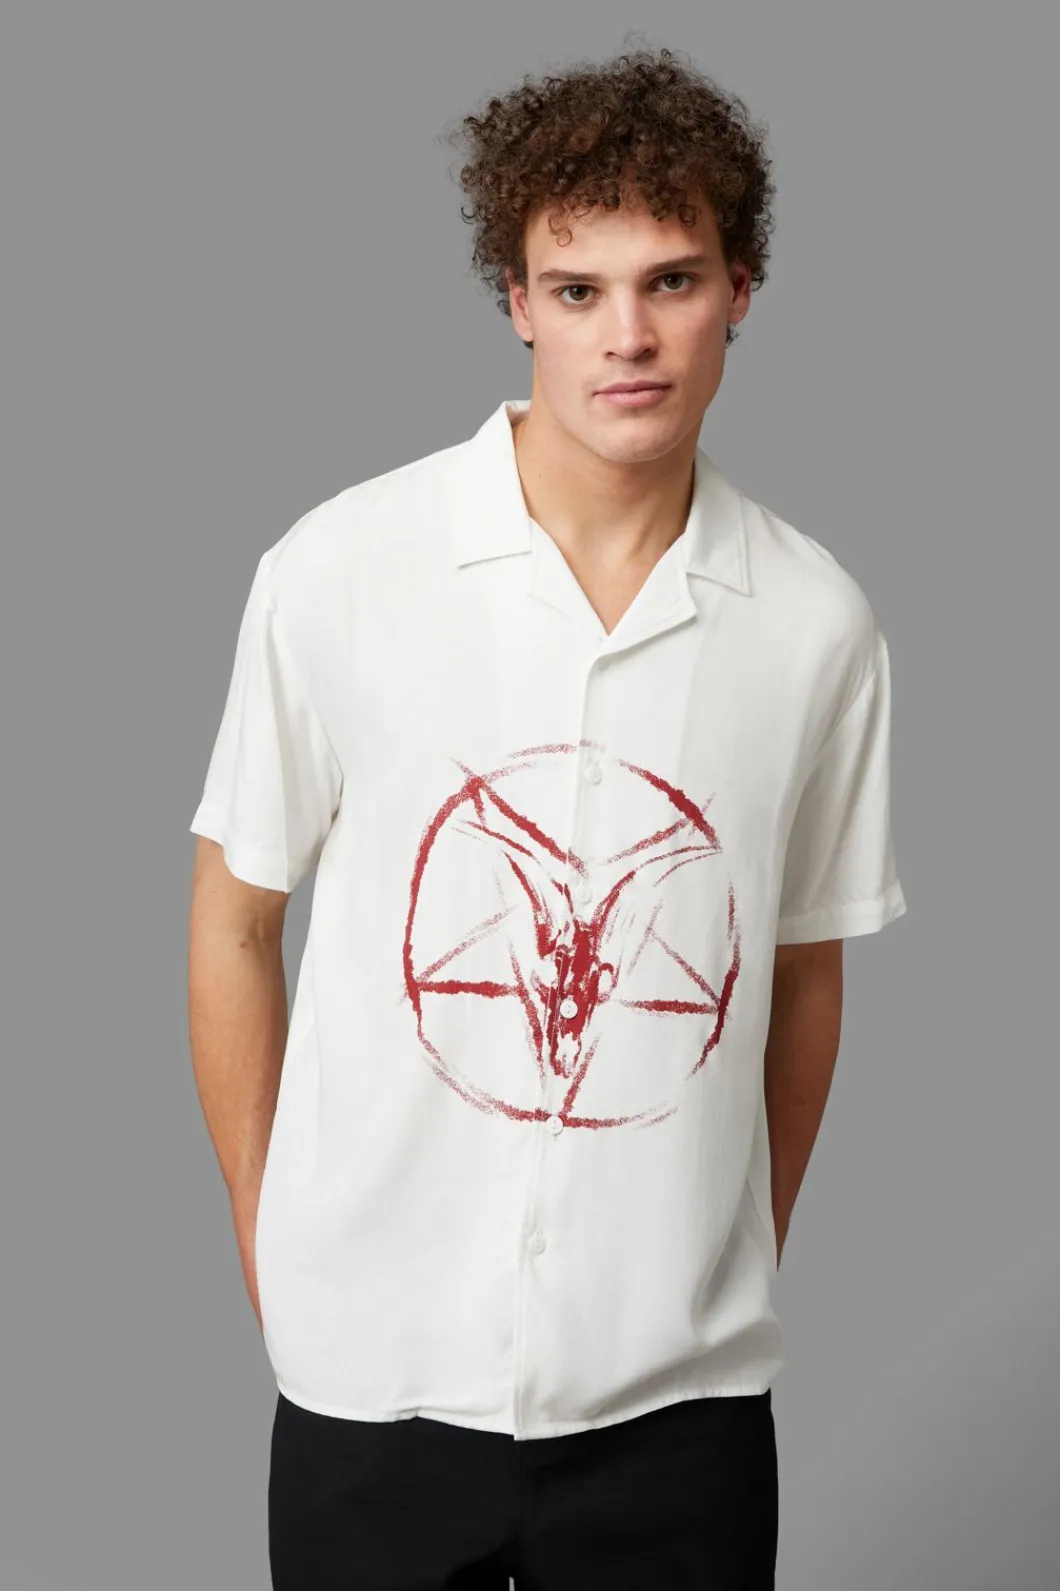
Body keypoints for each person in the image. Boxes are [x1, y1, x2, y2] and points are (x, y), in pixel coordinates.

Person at [187, 40, 907, 1591]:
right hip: (371, 1383)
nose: (626, 335)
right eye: (578, 289)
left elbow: (805, 971)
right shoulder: (340, 570)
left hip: (678, 1408)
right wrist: (272, 1242)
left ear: (742, 288)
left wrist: (716, 1261)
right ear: (517, 302)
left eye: (672, 280)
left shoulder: (816, 623)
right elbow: (236, 920)